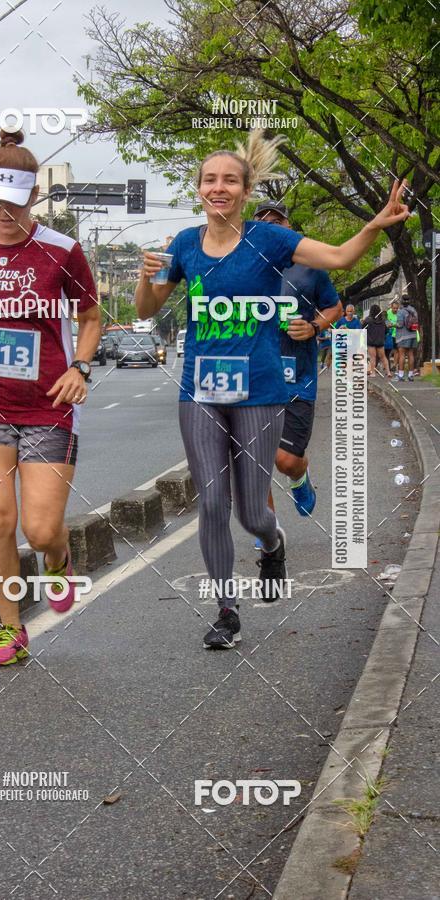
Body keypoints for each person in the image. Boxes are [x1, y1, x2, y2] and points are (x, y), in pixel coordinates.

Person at [135, 129, 409, 650]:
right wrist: (147, 277)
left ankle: (273, 541)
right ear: (199, 188)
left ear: (245, 190)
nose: (219, 188)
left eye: (230, 181)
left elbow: (340, 258)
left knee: (251, 511)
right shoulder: (185, 245)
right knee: (212, 502)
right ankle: (225, 610)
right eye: (210, 180)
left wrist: (374, 224)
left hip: (261, 390)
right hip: (200, 389)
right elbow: (146, 310)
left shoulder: (271, 241)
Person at [0, 129, 101, 666]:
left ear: (33, 195)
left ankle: (57, 561)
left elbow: (90, 317)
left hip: (49, 404)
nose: (3, 210)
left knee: (40, 528)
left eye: (14, 199)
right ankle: (10, 630)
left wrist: (80, 365)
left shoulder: (62, 251)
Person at [253, 200, 342, 519]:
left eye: (277, 221)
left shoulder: (309, 267)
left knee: (285, 460)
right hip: (252, 380)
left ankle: (300, 477)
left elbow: (335, 307)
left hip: (297, 379)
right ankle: (268, 537)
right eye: (263, 222)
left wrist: (315, 326)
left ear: (289, 227)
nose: (271, 227)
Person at [394, 294, 419, 382]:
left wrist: (392, 324)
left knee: (402, 355)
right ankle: (410, 375)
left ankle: (400, 376)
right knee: (411, 354)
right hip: (413, 335)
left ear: (401, 301)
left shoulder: (401, 311)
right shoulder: (413, 310)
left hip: (403, 336)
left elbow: (400, 324)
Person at [362, 304, 391, 376]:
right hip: (380, 341)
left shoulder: (368, 320)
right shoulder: (382, 321)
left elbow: (362, 329)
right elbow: (386, 330)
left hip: (371, 341)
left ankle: (373, 373)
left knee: (373, 357)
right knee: (383, 357)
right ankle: (388, 372)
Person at [385, 299, 399, 370]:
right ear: (391, 307)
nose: (395, 309)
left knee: (396, 350)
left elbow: (399, 324)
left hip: (397, 334)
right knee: (389, 350)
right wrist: (389, 324)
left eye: (396, 308)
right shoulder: (388, 312)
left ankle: (395, 365)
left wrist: (393, 325)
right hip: (389, 334)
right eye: (394, 308)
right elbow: (386, 322)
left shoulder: (399, 313)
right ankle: (387, 365)